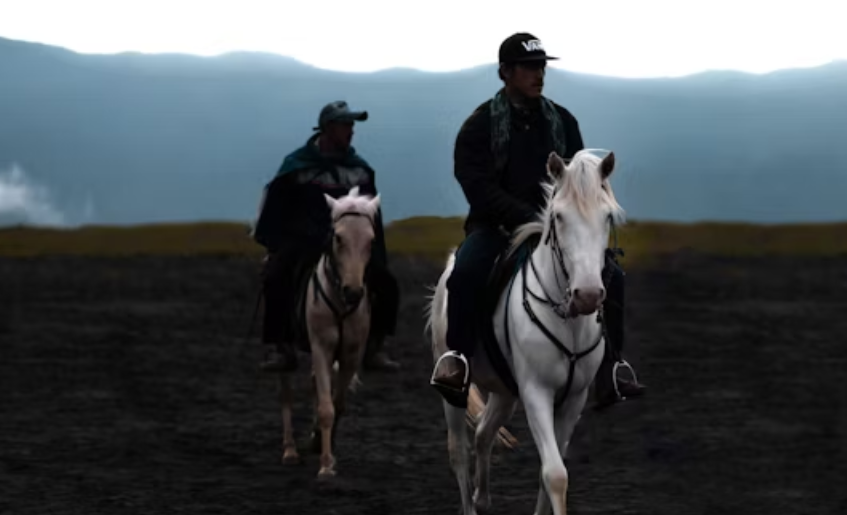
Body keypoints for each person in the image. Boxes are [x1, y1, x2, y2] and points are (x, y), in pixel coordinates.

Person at [429, 33, 645, 411]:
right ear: (505, 72)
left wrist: (567, 219)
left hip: (560, 229)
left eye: (541, 67)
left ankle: (613, 368)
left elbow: (580, 181)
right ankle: (458, 362)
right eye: (529, 67)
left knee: (612, 276)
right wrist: (527, 218)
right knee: (465, 274)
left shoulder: (563, 121)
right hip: (495, 227)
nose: (539, 74)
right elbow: (476, 186)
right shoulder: (479, 126)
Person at [252, 100, 401, 372]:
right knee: (276, 276)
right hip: (303, 239)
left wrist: (376, 253)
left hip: (350, 244)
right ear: (328, 128)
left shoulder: (360, 170)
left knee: (387, 283)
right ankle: (282, 347)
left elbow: (371, 216)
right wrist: (273, 246)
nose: (351, 131)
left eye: (352, 125)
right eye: (346, 125)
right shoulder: (296, 167)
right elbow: (274, 208)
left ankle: (373, 348)